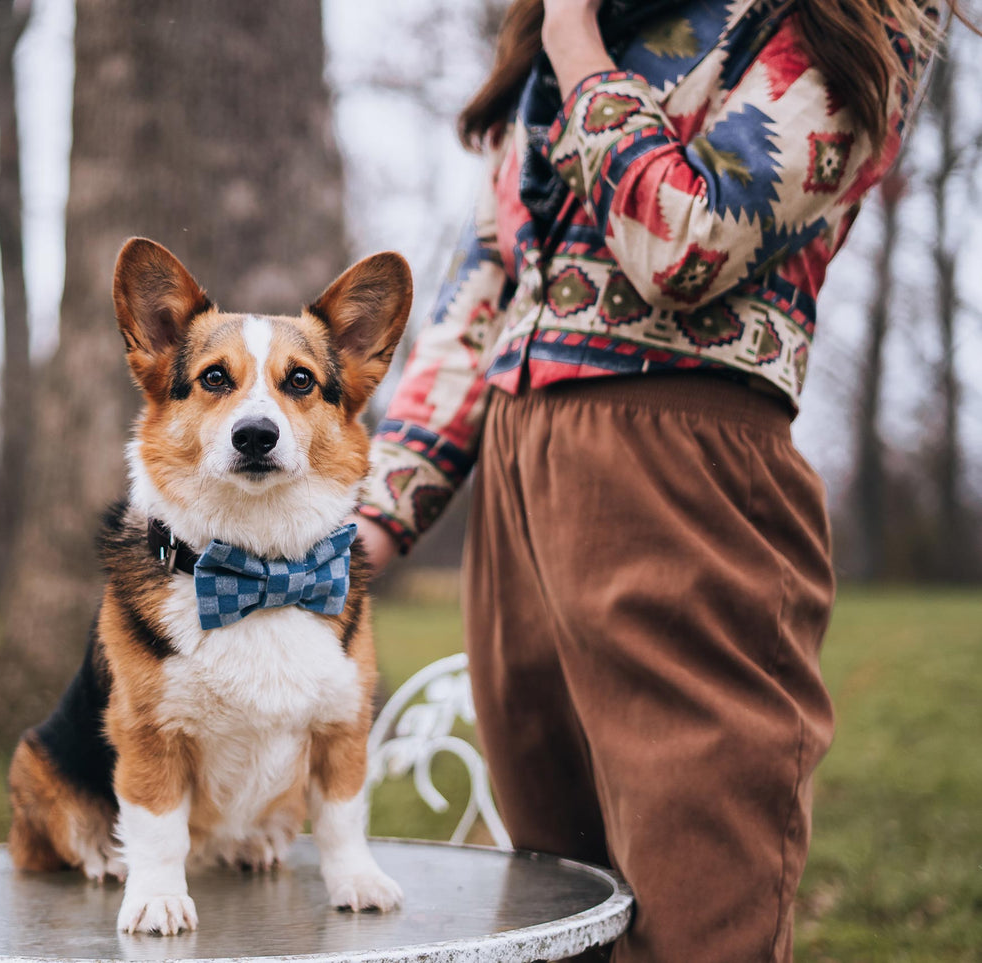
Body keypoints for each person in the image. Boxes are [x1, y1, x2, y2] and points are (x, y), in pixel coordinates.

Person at [350, 0, 958, 958]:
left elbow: (692, 241)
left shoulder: (849, 18)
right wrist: (362, 530)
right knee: (558, 911)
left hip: (682, 463)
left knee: (699, 906)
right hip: (518, 486)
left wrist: (575, 46)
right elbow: (482, 304)